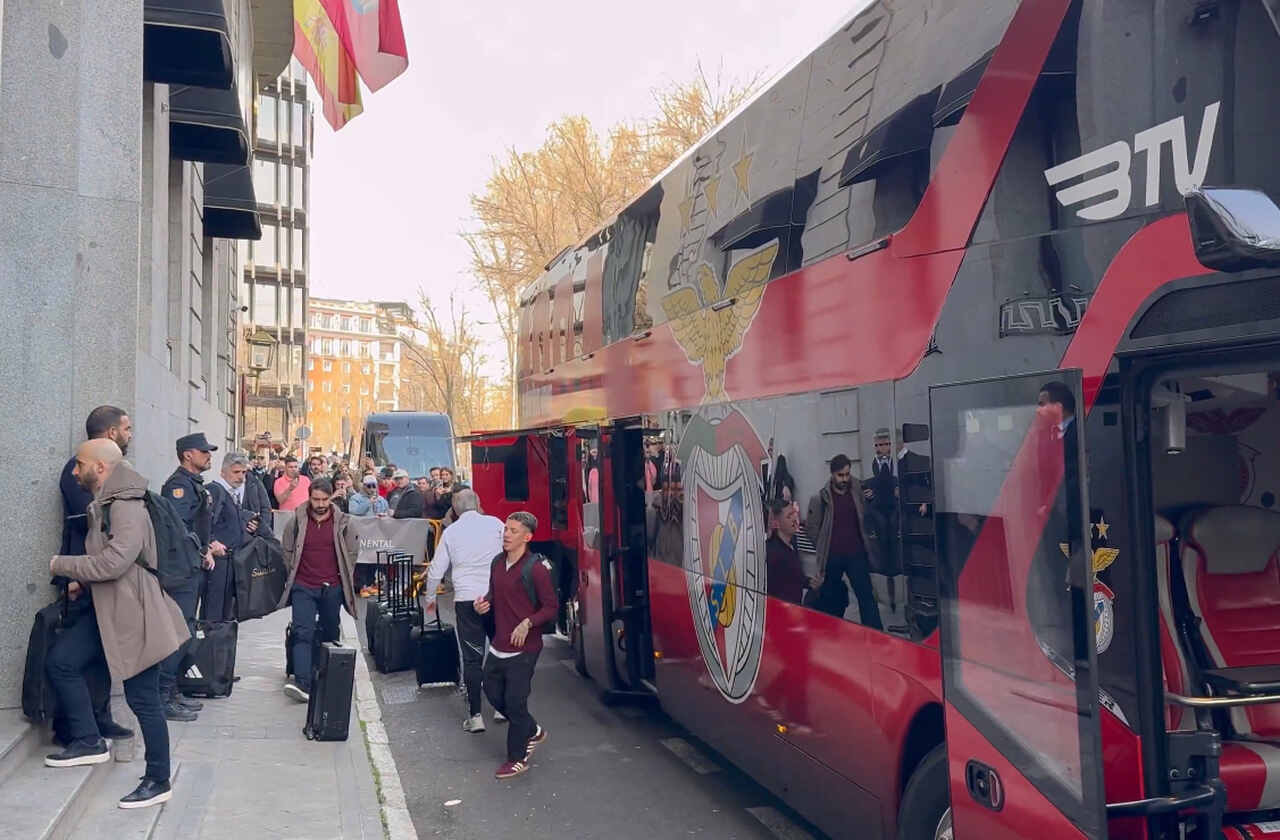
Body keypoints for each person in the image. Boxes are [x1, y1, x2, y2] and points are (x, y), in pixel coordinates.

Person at [48, 439, 189, 809]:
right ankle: (88, 740)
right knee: (62, 661)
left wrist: (62, 565)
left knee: (143, 699)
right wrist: (84, 580)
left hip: (134, 615)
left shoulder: (126, 506)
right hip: (106, 609)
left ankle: (158, 779)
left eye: (80, 464)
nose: (75, 471)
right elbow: (108, 561)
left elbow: (114, 563)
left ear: (101, 467)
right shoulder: (107, 503)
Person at [54, 405, 134, 741]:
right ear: (112, 432)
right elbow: (89, 527)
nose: (130, 435)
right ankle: (75, 728)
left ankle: (99, 719)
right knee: (69, 660)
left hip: (104, 580)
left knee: (100, 655)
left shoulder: (118, 474)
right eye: (126, 429)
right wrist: (73, 576)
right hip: (84, 578)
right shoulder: (79, 471)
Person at [474, 512, 558, 779]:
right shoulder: (498, 563)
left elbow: (551, 608)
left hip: (525, 648)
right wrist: (483, 605)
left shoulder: (535, 569)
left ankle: (516, 758)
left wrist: (528, 623)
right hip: (499, 644)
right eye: (506, 530)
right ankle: (533, 730)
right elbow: (494, 595)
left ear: (527, 537)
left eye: (513, 531)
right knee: (493, 693)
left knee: (514, 701)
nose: (506, 534)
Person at [421, 490, 503, 733]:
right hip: (495, 595)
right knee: (500, 651)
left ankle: (476, 716)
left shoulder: (451, 532)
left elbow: (436, 568)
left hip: (466, 599)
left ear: (454, 510)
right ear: (479, 503)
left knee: (472, 658)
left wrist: (430, 598)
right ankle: (501, 707)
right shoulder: (496, 524)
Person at [279, 479, 359, 703]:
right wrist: (293, 577)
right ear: (309, 497)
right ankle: (302, 683)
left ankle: (327, 678)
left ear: (332, 497)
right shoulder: (297, 520)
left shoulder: (343, 522)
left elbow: (352, 552)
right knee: (302, 632)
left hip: (332, 587)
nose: (321, 504)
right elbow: (286, 550)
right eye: (316, 499)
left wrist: (342, 577)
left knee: (330, 633)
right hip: (303, 586)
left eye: (325, 499)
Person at [159, 432, 219, 721]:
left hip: (190, 568)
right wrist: (201, 551)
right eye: (204, 452)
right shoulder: (178, 487)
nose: (209, 456)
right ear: (187, 455)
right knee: (177, 634)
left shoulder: (194, 484)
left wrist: (206, 548)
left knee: (185, 631)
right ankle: (162, 697)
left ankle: (171, 692)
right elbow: (179, 529)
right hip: (180, 571)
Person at [806, 454, 882, 630]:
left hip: (856, 555)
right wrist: (823, 546)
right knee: (830, 599)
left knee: (867, 598)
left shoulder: (858, 490)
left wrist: (872, 500)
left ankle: (876, 635)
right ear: (832, 474)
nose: (845, 479)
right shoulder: (821, 498)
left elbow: (870, 516)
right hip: (832, 557)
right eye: (841, 475)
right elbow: (812, 528)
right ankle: (830, 632)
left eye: (847, 474)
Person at [206, 452, 263, 621]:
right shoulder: (216, 491)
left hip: (233, 560)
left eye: (244, 473)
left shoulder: (234, 492)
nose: (241, 477)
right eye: (236, 472)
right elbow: (205, 522)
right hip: (219, 562)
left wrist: (249, 524)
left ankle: (223, 645)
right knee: (215, 613)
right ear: (223, 472)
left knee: (228, 613)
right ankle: (213, 646)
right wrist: (211, 543)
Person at [863, 428, 900, 612]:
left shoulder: (897, 464)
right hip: (879, 517)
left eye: (884, 444)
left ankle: (895, 594)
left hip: (895, 514)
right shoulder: (874, 466)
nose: (880, 449)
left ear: (890, 446)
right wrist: (868, 495)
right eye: (877, 445)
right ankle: (886, 595)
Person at [765, 498, 806, 604]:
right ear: (777, 524)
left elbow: (795, 578)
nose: (794, 519)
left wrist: (809, 582)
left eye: (794, 513)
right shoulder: (773, 552)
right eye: (789, 516)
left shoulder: (792, 544)